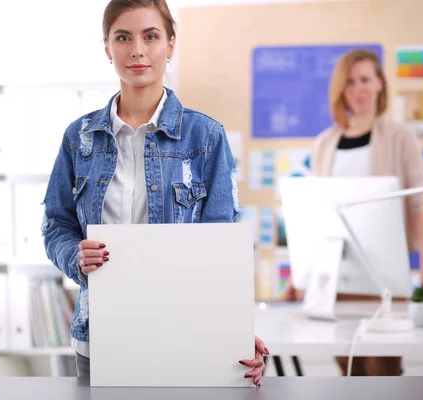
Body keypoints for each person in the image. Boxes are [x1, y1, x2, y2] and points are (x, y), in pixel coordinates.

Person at [41, 0, 267, 385]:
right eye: (123, 37)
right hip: (99, 336)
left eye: (151, 36)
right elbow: (56, 225)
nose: (137, 50)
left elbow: (221, 249)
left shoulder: (205, 136)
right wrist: (74, 256)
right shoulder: (78, 138)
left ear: (171, 45)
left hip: (183, 334)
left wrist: (233, 330)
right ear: (108, 48)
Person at [293, 48, 423, 376]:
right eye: (350, 82)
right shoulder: (324, 143)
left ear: (379, 85)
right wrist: (302, 272)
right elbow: (317, 212)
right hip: (338, 279)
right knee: (349, 368)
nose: (358, 88)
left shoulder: (400, 137)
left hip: (384, 278)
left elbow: (419, 203)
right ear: (340, 91)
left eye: (365, 79)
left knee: (381, 370)